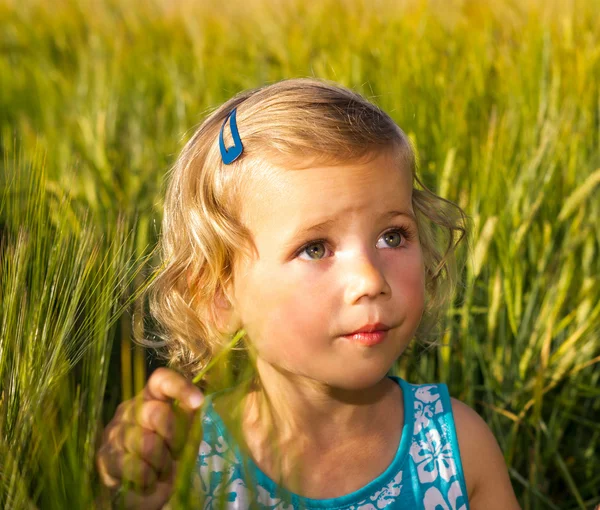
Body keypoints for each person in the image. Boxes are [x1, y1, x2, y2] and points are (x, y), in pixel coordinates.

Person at [96, 78, 521, 509]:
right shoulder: (190, 461)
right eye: (315, 248)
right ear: (219, 295)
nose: (370, 280)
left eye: (392, 237)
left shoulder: (455, 450)